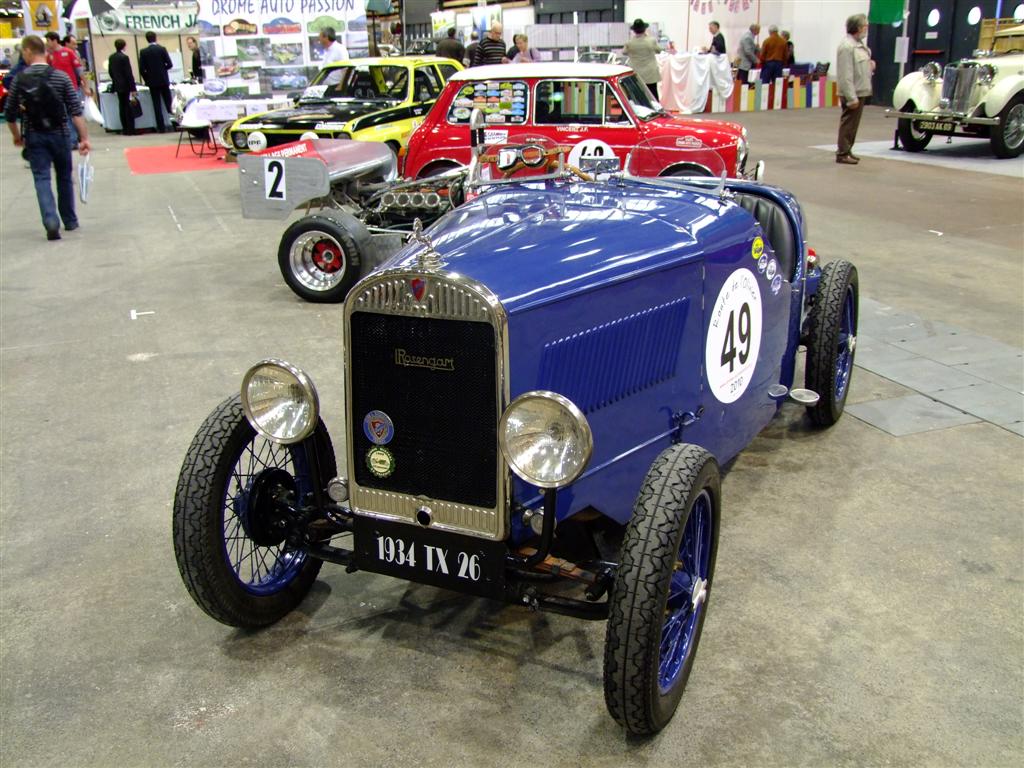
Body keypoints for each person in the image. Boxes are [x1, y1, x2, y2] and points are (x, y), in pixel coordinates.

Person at [4, 34, 90, 241]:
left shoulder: (19, 79)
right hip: (60, 133)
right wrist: (84, 138)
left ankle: (51, 221)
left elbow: (10, 113)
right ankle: (70, 219)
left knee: (42, 177)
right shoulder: (61, 77)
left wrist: (17, 136)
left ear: (28, 51)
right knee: (64, 177)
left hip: (34, 135)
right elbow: (75, 111)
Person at [835, 13, 874, 165]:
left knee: (853, 125)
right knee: (848, 124)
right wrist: (851, 97)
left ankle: (848, 149)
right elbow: (845, 74)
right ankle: (842, 153)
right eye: (865, 26)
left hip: (860, 90)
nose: (867, 28)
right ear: (858, 28)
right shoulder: (847, 46)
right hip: (852, 92)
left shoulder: (859, 45)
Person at [138, 31, 172, 133]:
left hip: (152, 82)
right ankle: (174, 123)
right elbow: (170, 64)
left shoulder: (143, 52)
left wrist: (147, 79)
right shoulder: (162, 49)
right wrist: (163, 70)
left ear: (147, 39)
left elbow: (142, 69)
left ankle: (161, 127)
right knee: (169, 103)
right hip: (163, 80)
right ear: (155, 38)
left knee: (157, 105)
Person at [623, 18, 662, 99]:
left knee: (637, 96)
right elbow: (659, 50)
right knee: (653, 94)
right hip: (650, 73)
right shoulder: (651, 40)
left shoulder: (629, 43)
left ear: (634, 31)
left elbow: (624, 52)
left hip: (636, 73)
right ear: (644, 29)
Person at [108, 38, 137, 136]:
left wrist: (115, 80)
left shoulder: (111, 57)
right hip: (126, 85)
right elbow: (128, 73)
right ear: (124, 46)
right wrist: (133, 87)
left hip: (117, 84)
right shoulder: (124, 57)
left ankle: (124, 128)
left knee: (121, 106)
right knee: (128, 107)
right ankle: (130, 129)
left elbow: (110, 72)